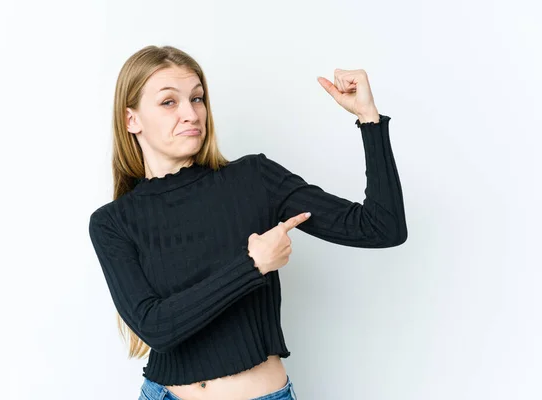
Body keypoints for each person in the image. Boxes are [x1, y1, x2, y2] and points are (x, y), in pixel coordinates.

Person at [88, 45, 408, 400]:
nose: (191, 113)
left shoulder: (254, 179)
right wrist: (252, 265)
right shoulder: (112, 223)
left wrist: (369, 119)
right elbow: (157, 328)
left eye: (197, 99)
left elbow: (382, 227)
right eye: (169, 102)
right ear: (131, 119)